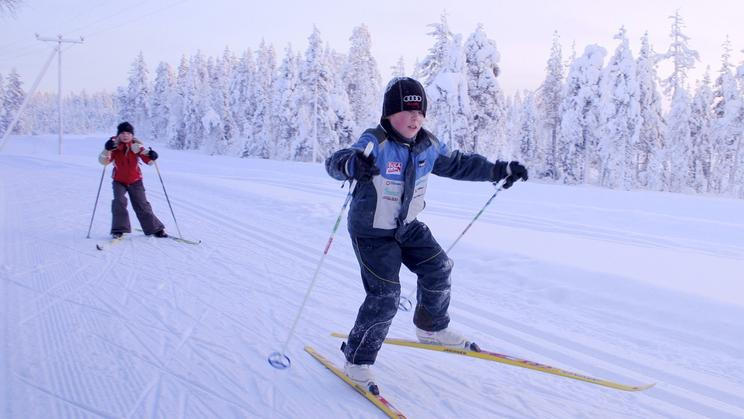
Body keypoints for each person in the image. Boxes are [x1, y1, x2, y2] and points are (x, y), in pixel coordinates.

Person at [325, 77, 528, 392]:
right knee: (386, 296)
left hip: (407, 226)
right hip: (372, 231)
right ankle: (356, 359)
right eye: (406, 112)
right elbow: (337, 162)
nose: (414, 118)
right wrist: (350, 164)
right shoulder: (374, 142)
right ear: (389, 115)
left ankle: (431, 327)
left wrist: (498, 170)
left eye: (419, 112)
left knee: (439, 267)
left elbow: (458, 164)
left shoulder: (428, 145)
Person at [98, 121, 168, 239]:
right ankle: (118, 230)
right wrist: (107, 149)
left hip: (135, 180)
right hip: (118, 180)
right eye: (123, 133)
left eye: (128, 133)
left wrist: (152, 155)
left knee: (142, 204)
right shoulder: (113, 146)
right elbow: (103, 161)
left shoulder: (136, 146)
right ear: (119, 135)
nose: (126, 135)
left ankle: (155, 229)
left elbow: (149, 160)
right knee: (119, 202)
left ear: (132, 135)